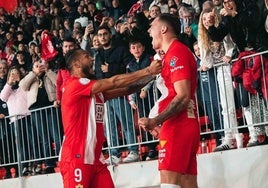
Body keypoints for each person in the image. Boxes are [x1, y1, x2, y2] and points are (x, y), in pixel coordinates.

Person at [59, 48, 162, 188]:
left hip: (95, 158)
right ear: (76, 65)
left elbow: (128, 89)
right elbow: (114, 82)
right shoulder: (76, 84)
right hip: (76, 157)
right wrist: (148, 71)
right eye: (86, 56)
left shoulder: (94, 91)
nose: (91, 59)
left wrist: (154, 74)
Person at [139, 13, 200, 188]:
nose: (149, 29)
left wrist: (155, 120)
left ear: (164, 29)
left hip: (177, 125)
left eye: (152, 25)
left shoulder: (176, 53)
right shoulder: (171, 54)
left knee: (169, 184)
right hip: (185, 123)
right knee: (188, 183)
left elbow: (182, 96)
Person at [94, 25, 140, 164]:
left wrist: (111, 68)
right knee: (110, 126)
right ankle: (114, 154)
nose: (102, 37)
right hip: (105, 95)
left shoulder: (120, 50)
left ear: (110, 35)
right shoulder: (98, 55)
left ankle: (134, 151)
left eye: (105, 34)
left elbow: (129, 68)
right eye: (100, 35)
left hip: (120, 92)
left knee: (126, 123)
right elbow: (98, 74)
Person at [126, 38, 158, 160]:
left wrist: (145, 89)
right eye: (133, 48)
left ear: (143, 47)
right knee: (145, 121)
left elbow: (153, 75)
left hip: (153, 95)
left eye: (138, 47)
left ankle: (163, 143)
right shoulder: (130, 65)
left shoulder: (150, 59)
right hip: (139, 99)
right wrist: (132, 99)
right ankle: (151, 149)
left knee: (156, 118)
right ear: (130, 50)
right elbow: (130, 83)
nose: (136, 50)